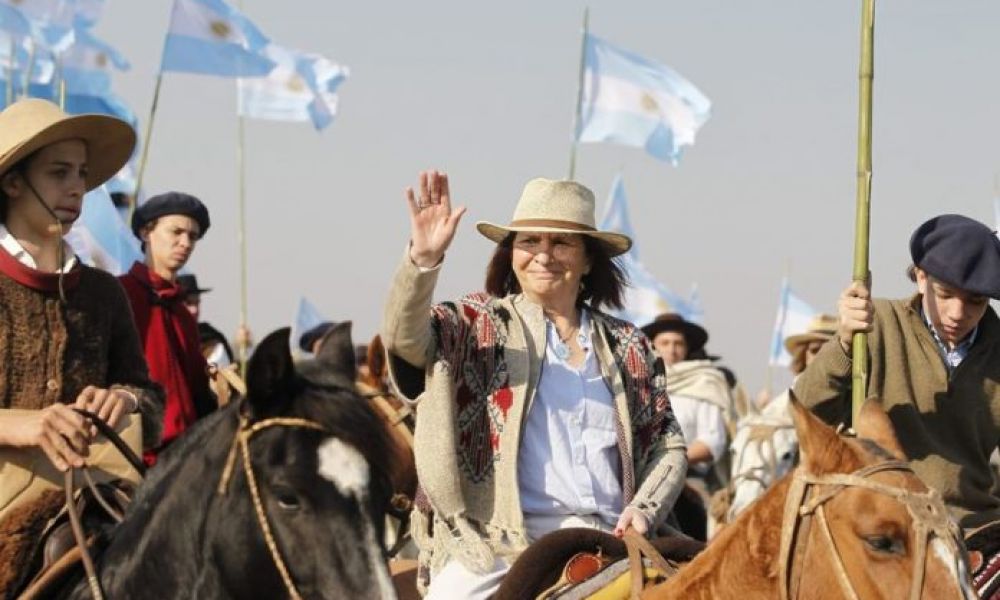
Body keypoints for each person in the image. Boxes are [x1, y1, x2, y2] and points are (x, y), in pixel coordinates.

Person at [381, 171, 687, 598]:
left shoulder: (628, 344)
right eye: (529, 242)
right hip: (501, 546)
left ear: (588, 259)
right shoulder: (474, 324)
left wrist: (644, 508)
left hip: (617, 537)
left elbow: (667, 444)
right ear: (511, 254)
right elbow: (404, 338)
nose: (544, 255)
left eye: (561, 243)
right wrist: (423, 261)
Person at [0, 99, 162, 589]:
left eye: (82, 173)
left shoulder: (104, 292)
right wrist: (20, 424)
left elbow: (151, 400)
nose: (77, 188)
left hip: (97, 494)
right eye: (58, 173)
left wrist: (124, 399)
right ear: (11, 182)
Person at [794, 214, 1000, 530]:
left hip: (972, 524)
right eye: (945, 294)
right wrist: (845, 343)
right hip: (880, 517)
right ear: (920, 277)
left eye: (976, 301)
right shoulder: (874, 325)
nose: (958, 314)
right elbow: (807, 411)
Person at [119, 192, 214, 464]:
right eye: (176, 232)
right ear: (146, 232)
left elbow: (196, 388)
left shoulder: (184, 313)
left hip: (186, 458)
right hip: (133, 457)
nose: (185, 243)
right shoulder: (118, 294)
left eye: (193, 237)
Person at [642, 313, 731, 484]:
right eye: (665, 343)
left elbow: (713, 440)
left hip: (686, 479)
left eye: (678, 343)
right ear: (652, 346)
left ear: (687, 348)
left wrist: (673, 462)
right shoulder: (637, 384)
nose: (672, 350)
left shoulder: (704, 384)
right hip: (637, 478)